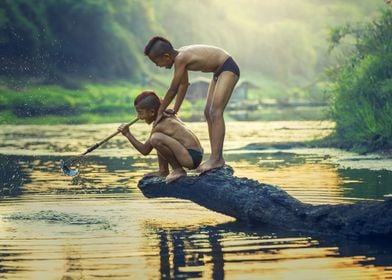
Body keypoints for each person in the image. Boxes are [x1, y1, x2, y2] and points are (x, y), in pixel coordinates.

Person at [144, 36, 240, 173]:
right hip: (218, 71)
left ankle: (217, 159)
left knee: (215, 112)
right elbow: (183, 85)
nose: (157, 66)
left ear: (166, 56)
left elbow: (173, 89)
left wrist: (160, 111)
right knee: (208, 112)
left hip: (227, 68)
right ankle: (215, 158)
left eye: (156, 62)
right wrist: (175, 109)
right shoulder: (180, 59)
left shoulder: (181, 58)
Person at [117, 90, 203, 183]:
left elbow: (145, 150)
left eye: (140, 113)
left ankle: (178, 170)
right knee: (158, 138)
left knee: (155, 139)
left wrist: (128, 134)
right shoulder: (166, 114)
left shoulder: (160, 125)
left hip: (191, 157)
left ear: (152, 112)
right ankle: (163, 170)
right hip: (194, 154)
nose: (139, 117)